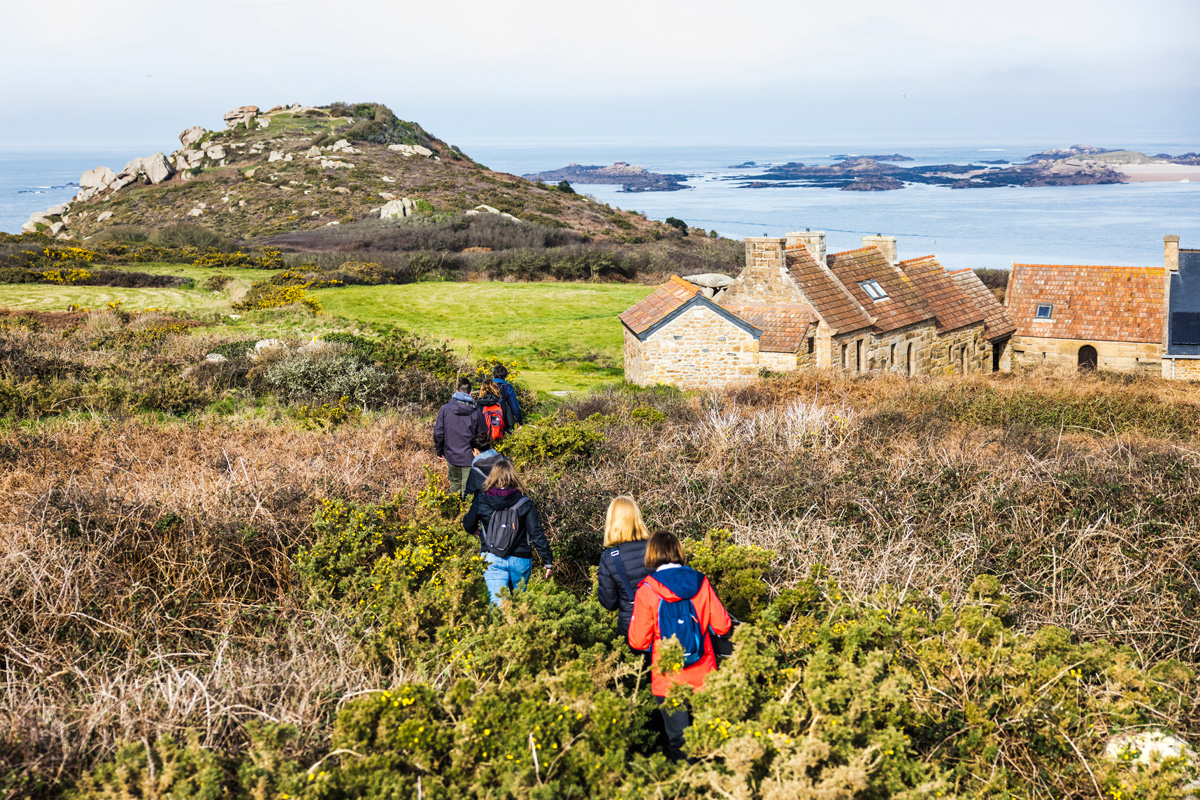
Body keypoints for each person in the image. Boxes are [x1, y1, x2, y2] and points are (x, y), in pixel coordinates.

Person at [627, 531, 732, 762]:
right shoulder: (700, 581)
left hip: (668, 680)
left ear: (652, 553)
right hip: (704, 674)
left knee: (678, 742)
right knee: (709, 738)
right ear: (678, 551)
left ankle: (685, 789)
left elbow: (638, 641)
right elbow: (723, 626)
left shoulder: (648, 589)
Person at [462, 460, 552, 606]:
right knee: (518, 604)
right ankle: (518, 628)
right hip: (521, 558)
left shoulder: (482, 500)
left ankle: (499, 628)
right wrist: (547, 560)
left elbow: (468, 523)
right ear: (513, 477)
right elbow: (536, 532)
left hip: (492, 556)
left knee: (497, 604)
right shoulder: (524, 502)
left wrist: (474, 530)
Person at [596, 496, 652, 640]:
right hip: (665, 622)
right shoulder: (656, 547)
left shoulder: (610, 557)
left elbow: (609, 603)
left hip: (632, 628)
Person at [433, 378, 486, 498]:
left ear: (456, 391)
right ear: (470, 393)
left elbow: (438, 432)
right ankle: (466, 514)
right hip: (470, 457)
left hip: (451, 455)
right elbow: (483, 435)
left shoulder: (445, 409)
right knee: (468, 488)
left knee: (455, 485)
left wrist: (439, 450)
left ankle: (455, 512)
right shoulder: (476, 413)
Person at [464, 429, 509, 498]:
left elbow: (469, 494)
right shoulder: (505, 461)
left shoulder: (476, 470)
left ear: (475, 451)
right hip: (508, 501)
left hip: (488, 505)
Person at [491, 365, 523, 429]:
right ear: (505, 376)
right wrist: (519, 421)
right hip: (505, 420)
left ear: (494, 374)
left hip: (487, 418)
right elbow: (514, 407)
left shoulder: (486, 386)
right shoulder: (508, 387)